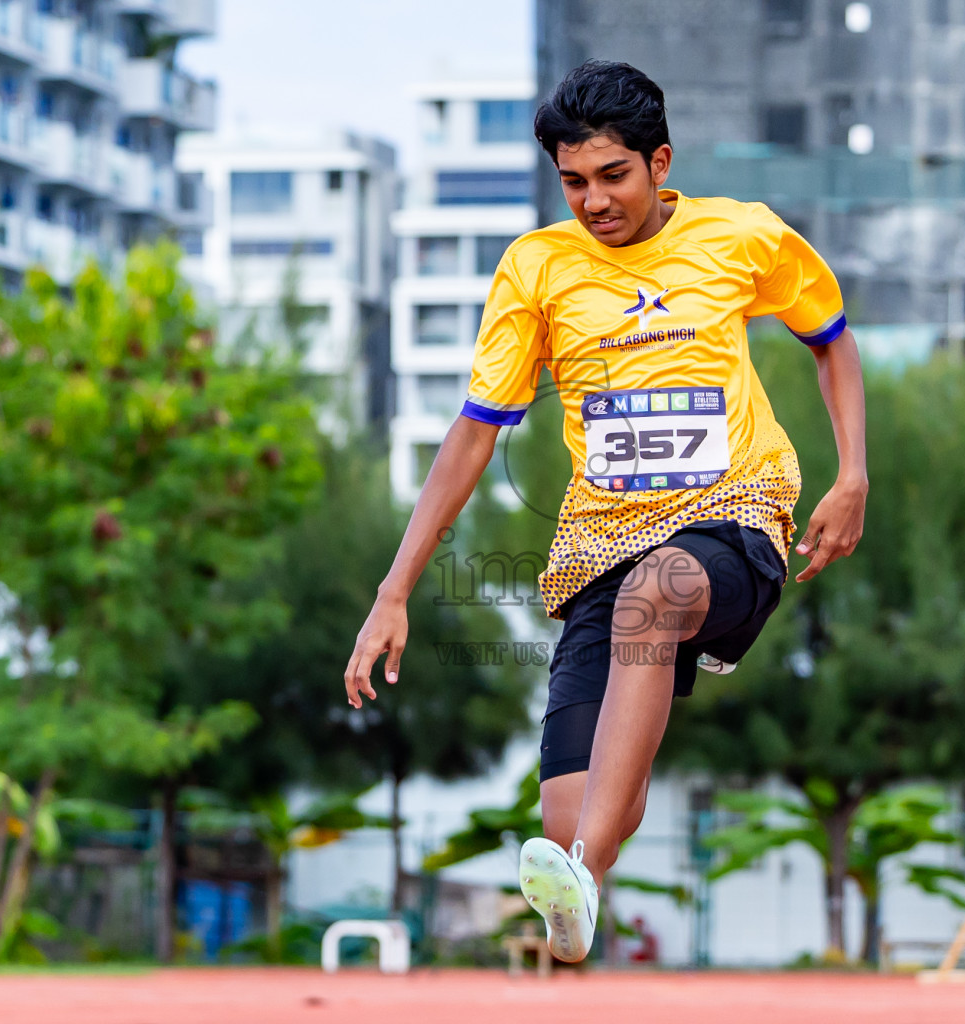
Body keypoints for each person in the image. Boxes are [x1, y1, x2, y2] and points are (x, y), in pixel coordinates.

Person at [342, 59, 868, 963]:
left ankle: (583, 867)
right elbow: (472, 435)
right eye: (574, 183)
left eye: (613, 176)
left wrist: (851, 474)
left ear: (659, 162)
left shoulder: (740, 237)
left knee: (655, 597)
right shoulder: (537, 269)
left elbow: (830, 338)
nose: (594, 202)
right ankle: (582, 880)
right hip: (599, 542)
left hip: (735, 518)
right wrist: (393, 592)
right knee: (573, 814)